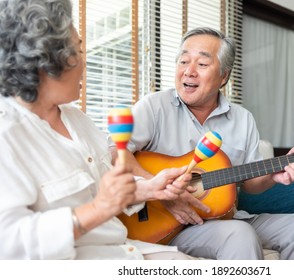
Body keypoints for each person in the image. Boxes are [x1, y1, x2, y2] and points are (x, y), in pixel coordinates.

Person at [0, 0, 198, 260]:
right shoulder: (8, 136)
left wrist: (151, 187)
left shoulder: (77, 119)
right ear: (45, 62)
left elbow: (107, 188)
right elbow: (9, 244)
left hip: (126, 251)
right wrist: (98, 209)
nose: (85, 61)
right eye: (78, 51)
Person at [124, 27, 294, 260]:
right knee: (239, 233)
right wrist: (162, 192)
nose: (189, 71)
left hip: (224, 217)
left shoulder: (243, 118)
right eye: (183, 61)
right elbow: (116, 154)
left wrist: (273, 175)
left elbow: (250, 184)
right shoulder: (153, 107)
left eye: (202, 64)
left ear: (224, 76)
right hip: (168, 224)